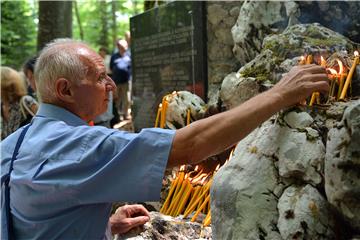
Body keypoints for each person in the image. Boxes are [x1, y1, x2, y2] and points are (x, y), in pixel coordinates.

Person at [0, 38, 329, 239]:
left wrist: (100, 226)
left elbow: (30, 220)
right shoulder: (80, 146)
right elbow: (190, 145)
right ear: (65, 90)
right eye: (100, 78)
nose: (111, 86)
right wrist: (280, 93)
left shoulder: (10, 146)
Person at [0, 66, 38, 140]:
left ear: (5, 85)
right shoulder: (2, 105)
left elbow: (44, 124)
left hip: (28, 149)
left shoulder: (26, 101)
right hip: (8, 150)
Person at [110, 39, 131, 120]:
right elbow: (111, 68)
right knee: (117, 99)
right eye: (123, 46)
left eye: (126, 46)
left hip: (126, 81)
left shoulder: (128, 55)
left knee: (126, 99)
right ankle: (118, 115)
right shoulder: (114, 56)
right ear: (119, 47)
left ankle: (126, 114)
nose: (125, 47)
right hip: (116, 81)